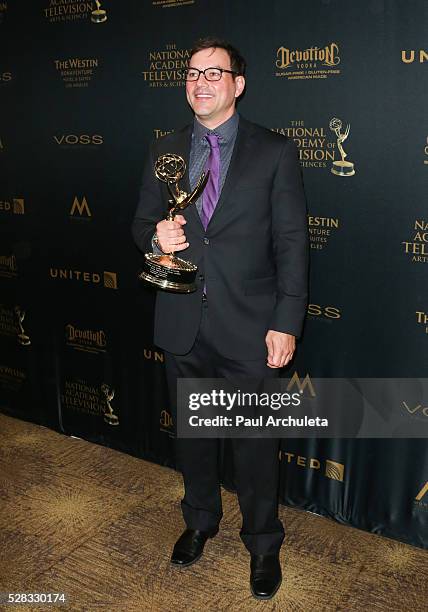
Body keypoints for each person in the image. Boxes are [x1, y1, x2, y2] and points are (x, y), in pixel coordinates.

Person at [132, 36, 309, 600]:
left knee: (256, 445)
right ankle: (200, 519)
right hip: (183, 324)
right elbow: (141, 225)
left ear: (238, 84)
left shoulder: (274, 151)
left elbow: (292, 244)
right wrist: (154, 236)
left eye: (214, 74)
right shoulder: (165, 148)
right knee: (195, 437)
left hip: (251, 329)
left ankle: (262, 543)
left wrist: (286, 321)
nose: (200, 83)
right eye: (191, 73)